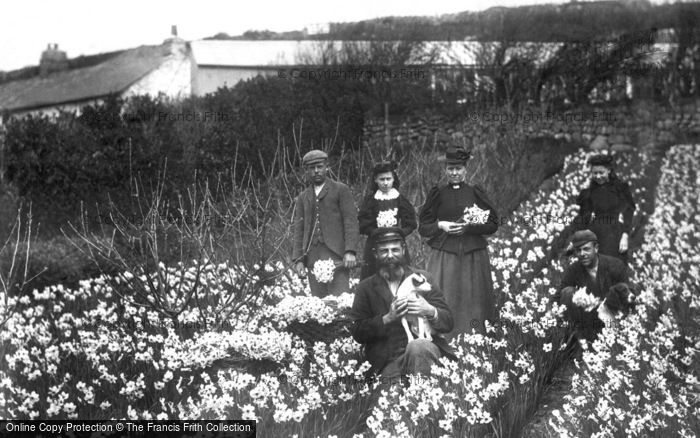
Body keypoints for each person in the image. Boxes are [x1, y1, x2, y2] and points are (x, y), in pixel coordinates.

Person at [350, 227, 454, 382]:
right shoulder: (366, 287)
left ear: (404, 250)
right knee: (389, 403)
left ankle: (423, 396)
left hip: (425, 353)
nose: (390, 256)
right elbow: (358, 331)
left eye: (395, 250)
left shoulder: (423, 279)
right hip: (387, 361)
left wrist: (430, 310)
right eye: (384, 251)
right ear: (375, 254)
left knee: (418, 347)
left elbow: (448, 322)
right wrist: (387, 318)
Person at [418, 146, 499, 337]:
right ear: (445, 170)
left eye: (458, 168)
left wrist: (469, 227)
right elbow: (423, 227)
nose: (454, 173)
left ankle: (476, 337)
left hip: (473, 254)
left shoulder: (475, 192)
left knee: (473, 296)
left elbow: (493, 224)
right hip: (446, 254)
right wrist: (441, 225)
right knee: (446, 294)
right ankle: (445, 336)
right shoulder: (437, 193)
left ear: (465, 170)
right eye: (450, 169)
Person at [292, 150, 360, 297]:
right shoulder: (303, 197)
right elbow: (299, 230)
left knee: (340, 300)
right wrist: (299, 260)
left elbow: (350, 222)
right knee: (319, 304)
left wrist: (350, 251)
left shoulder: (341, 190)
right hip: (312, 256)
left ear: (326, 167)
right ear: (306, 171)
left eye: (319, 166)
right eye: (312, 168)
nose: (316, 171)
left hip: (337, 255)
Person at [553, 230, 630, 342]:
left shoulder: (615, 265)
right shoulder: (574, 270)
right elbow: (558, 296)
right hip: (586, 319)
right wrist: (550, 313)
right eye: (578, 250)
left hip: (610, 316)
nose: (582, 254)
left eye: (586, 249)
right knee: (567, 292)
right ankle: (575, 338)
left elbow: (627, 298)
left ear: (596, 248)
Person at [357, 161, 417, 280]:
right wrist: (374, 233)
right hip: (375, 243)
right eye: (382, 179)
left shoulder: (399, 199)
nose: (385, 183)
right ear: (375, 180)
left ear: (393, 179)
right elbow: (363, 224)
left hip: (396, 243)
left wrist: (400, 233)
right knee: (373, 276)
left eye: (388, 179)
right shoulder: (371, 200)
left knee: (400, 275)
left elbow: (410, 223)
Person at [573, 154, 636, 263]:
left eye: (601, 172)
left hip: (615, 234)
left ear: (609, 170)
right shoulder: (589, 192)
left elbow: (629, 211)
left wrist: (625, 236)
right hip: (597, 234)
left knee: (615, 268)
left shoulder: (620, 188)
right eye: (594, 173)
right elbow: (584, 217)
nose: (598, 176)